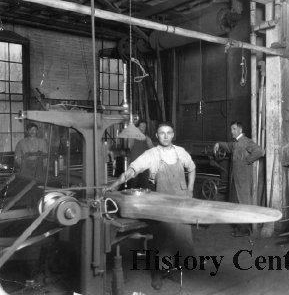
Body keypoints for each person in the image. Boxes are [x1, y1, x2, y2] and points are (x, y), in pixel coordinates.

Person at [106, 121, 196, 290]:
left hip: (181, 203)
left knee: (180, 238)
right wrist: (117, 183)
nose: (166, 136)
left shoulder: (180, 152)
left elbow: (192, 168)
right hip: (161, 204)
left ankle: (172, 270)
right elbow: (133, 169)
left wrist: (190, 190)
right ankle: (157, 273)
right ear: (156, 135)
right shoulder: (152, 154)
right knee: (162, 239)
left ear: (173, 134)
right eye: (162, 133)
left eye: (169, 132)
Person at [213, 121, 264, 237]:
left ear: (240, 130)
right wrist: (218, 144)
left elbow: (260, 151)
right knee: (236, 202)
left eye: (234, 129)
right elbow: (227, 146)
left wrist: (247, 161)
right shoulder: (235, 143)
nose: (232, 131)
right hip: (235, 179)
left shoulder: (246, 141)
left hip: (243, 179)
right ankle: (240, 229)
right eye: (231, 129)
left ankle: (245, 230)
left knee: (243, 202)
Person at [126, 119, 154, 189]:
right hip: (134, 166)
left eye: (144, 127)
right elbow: (128, 148)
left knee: (144, 186)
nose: (143, 128)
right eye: (141, 126)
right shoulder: (132, 137)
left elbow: (153, 150)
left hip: (144, 166)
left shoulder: (147, 139)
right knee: (133, 186)